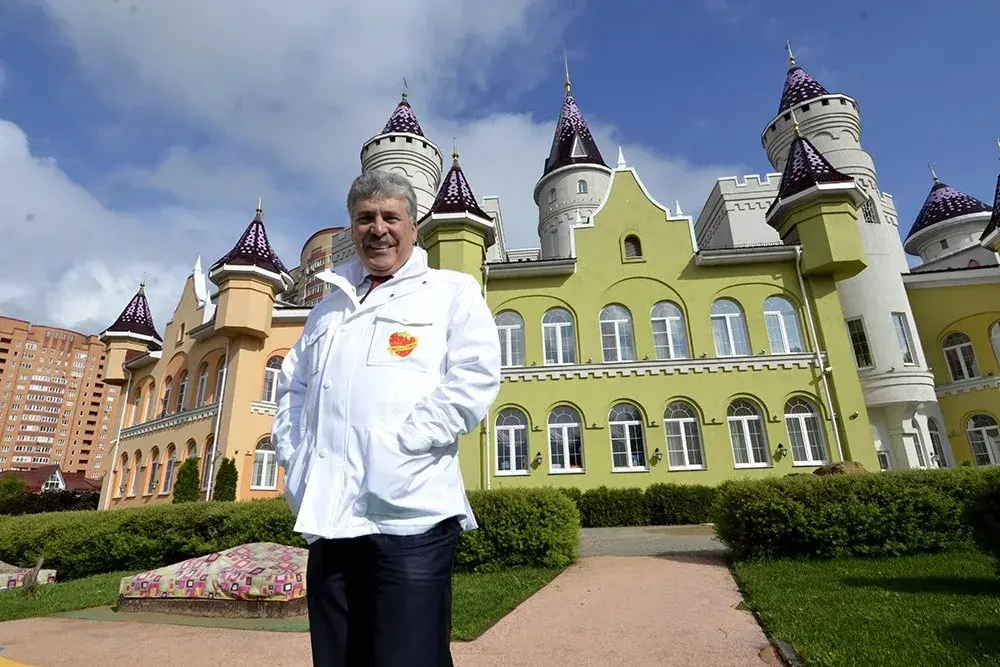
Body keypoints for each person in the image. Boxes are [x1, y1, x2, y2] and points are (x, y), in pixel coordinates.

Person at [272, 169, 501, 667]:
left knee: (410, 657)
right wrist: (296, 458)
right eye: (365, 218)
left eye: (390, 217)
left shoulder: (451, 291)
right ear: (352, 228)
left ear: (413, 227)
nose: (378, 229)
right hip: (330, 518)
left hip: (410, 517)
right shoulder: (327, 310)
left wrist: (404, 447)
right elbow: (292, 387)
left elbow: (475, 378)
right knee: (338, 659)